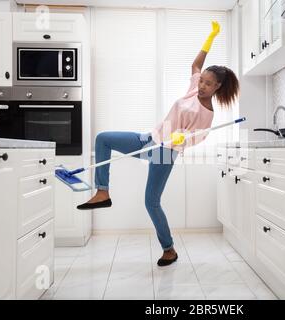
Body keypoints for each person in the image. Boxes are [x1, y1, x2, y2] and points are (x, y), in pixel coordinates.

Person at [76, 21, 239, 267]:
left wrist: (183, 137)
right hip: (149, 139)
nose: (201, 85)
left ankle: (169, 249)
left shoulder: (207, 113)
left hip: (165, 153)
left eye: (207, 83)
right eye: (201, 80)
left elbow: (198, 137)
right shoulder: (194, 88)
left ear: (217, 87)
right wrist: (211, 37)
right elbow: (196, 65)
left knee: (151, 202)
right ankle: (102, 192)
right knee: (103, 139)